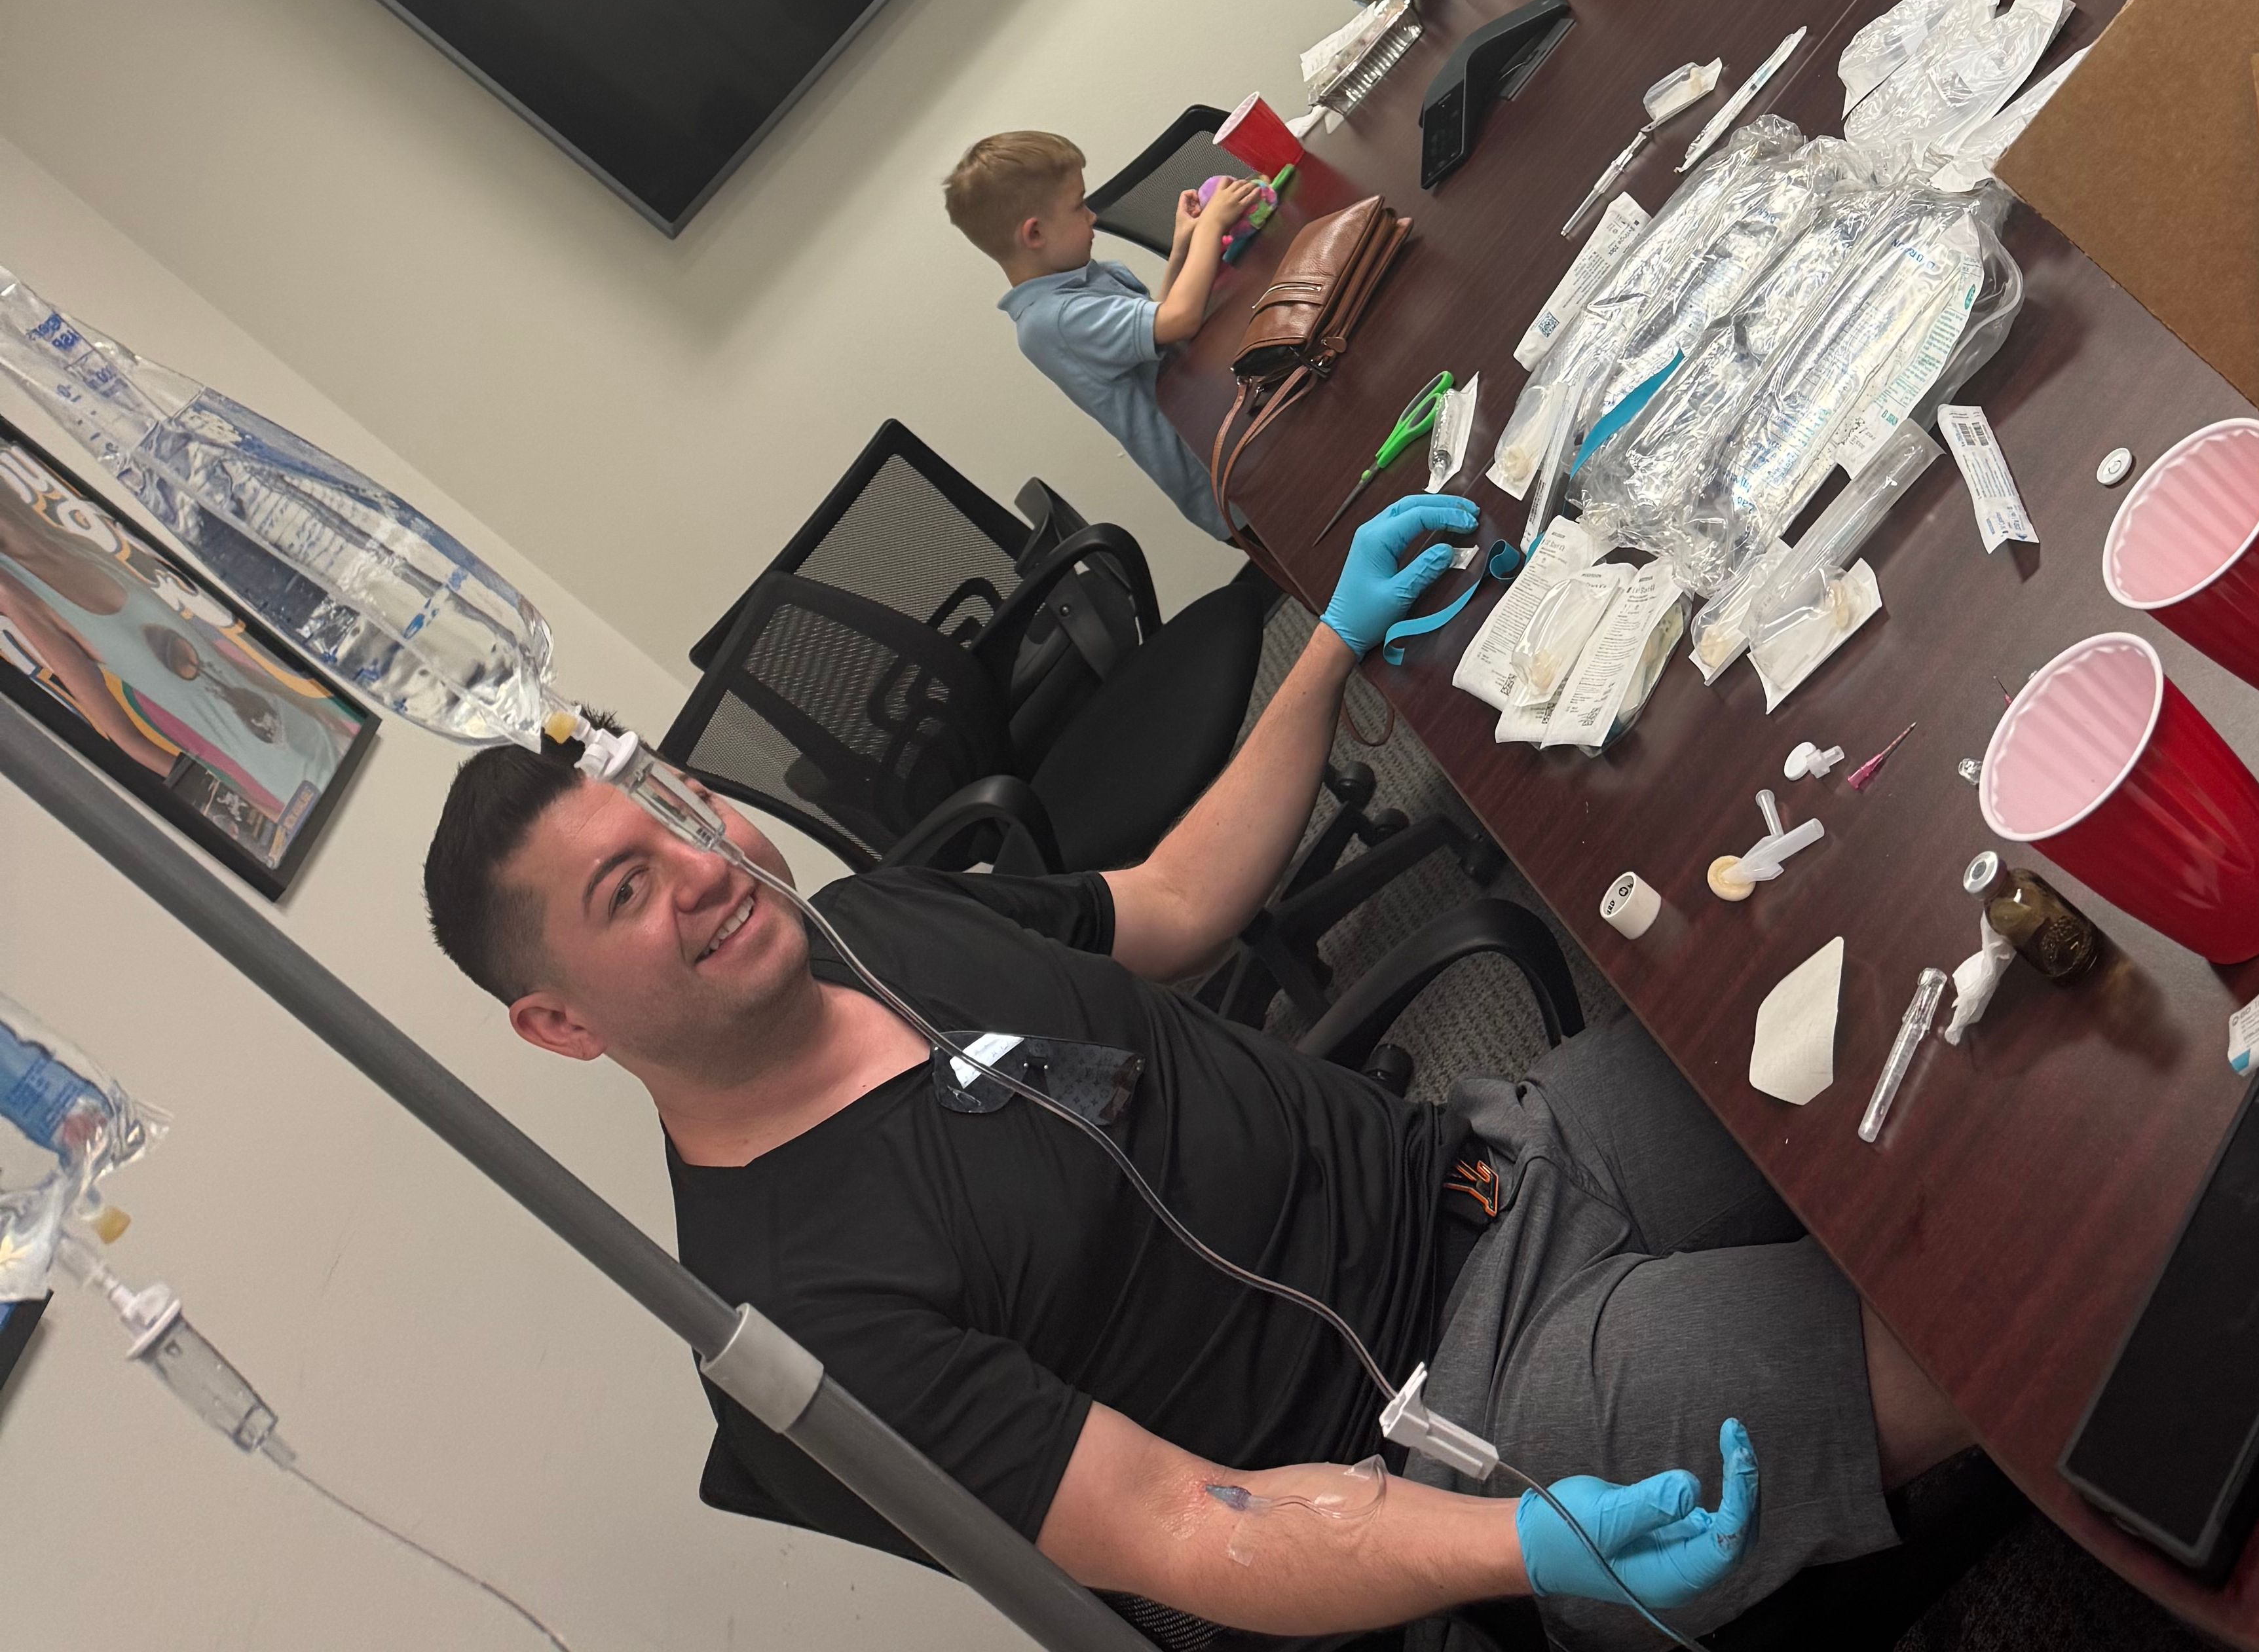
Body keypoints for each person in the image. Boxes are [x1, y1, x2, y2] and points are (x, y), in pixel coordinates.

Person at [421, 496, 1972, 1636]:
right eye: (627, 892)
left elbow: (1165, 904)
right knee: (1978, 1326)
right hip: (1465, 1424)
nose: (705, 870)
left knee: (1914, 1045)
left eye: (681, 813)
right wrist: (1520, 1547)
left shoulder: (875, 917)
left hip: (1497, 1157)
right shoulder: (802, 1319)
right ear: (561, 1024)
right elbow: (1177, 1526)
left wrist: (1332, 642)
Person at [947, 131, 1269, 543]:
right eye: (1079, 205)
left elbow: (1155, 326)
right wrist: (1211, 227)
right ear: (1035, 235)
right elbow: (1181, 320)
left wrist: (1183, 246)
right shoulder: (1055, 321)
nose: (1092, 216)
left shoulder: (1070, 281)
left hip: (1226, 421)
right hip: (1227, 477)